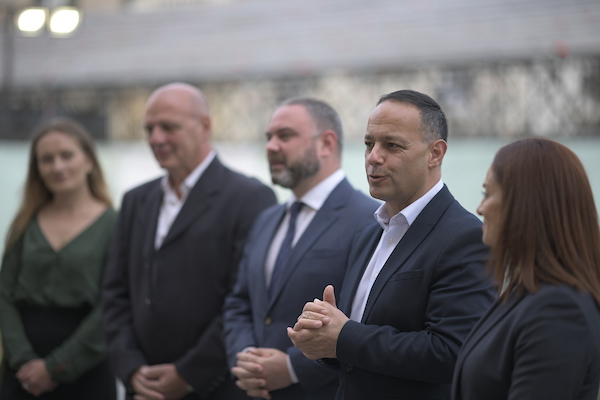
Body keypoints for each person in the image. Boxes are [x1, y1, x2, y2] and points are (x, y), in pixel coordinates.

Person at [288, 90, 496, 400]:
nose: (373, 157)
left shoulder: (465, 237)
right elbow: (358, 357)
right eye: (369, 144)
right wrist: (324, 340)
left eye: (392, 145)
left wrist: (344, 335)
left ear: (435, 154)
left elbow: (454, 352)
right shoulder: (370, 234)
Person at [102, 83, 276, 400]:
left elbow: (244, 299)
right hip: (141, 387)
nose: (155, 138)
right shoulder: (135, 200)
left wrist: (188, 374)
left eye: (168, 127)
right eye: (149, 129)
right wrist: (131, 368)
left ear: (205, 126)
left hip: (214, 386)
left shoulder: (249, 198)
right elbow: (115, 292)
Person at [223, 98, 378, 400]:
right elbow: (240, 302)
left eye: (285, 136)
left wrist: (294, 368)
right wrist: (245, 359)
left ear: (326, 143)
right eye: (268, 137)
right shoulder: (267, 220)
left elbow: (369, 322)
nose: (271, 146)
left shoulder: (370, 220)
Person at [450, 138, 600, 400]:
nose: (480, 208)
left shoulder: (559, 309)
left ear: (527, 203)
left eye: (487, 193)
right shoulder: (529, 291)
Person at [0, 118, 117, 399]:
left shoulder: (116, 225)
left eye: (67, 155)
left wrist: (56, 368)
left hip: (86, 368)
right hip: (22, 373)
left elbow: (113, 303)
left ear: (89, 160)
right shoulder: (25, 222)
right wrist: (22, 360)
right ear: (37, 169)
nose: (57, 167)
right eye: (46, 159)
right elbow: (4, 294)